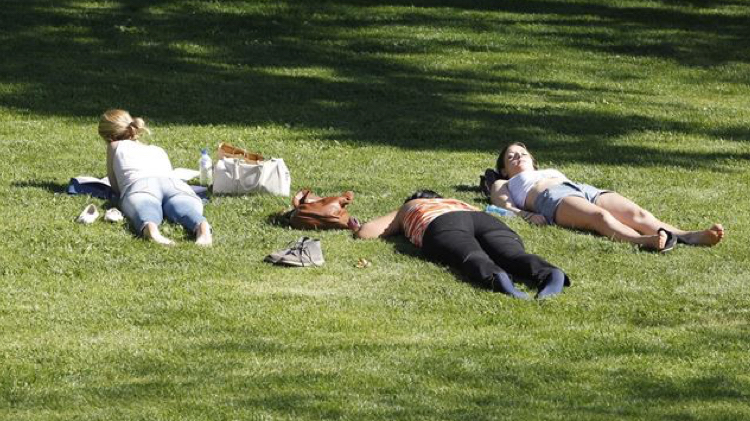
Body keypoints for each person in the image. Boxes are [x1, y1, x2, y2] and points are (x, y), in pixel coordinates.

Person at [484, 142, 724, 252]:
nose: (518, 157)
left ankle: (688, 236)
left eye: (522, 153)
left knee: (638, 214)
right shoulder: (504, 182)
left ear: (532, 159)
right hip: (550, 198)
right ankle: (643, 241)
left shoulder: (547, 171)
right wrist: (527, 215)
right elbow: (502, 205)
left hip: (582, 188)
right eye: (511, 157)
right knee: (600, 217)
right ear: (504, 169)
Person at [352, 190, 569, 299]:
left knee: (469, 253)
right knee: (512, 254)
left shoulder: (413, 205)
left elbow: (368, 233)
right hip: (484, 219)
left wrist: (359, 227)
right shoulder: (457, 201)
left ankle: (497, 277)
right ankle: (549, 272)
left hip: (442, 223)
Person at [98, 109, 212, 246]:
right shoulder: (158, 150)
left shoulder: (114, 146)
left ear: (109, 137)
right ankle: (202, 227)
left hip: (140, 186)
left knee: (145, 209)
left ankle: (151, 230)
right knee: (185, 208)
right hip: (174, 184)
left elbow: (115, 186)